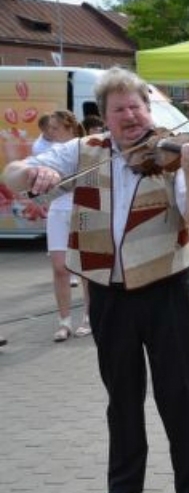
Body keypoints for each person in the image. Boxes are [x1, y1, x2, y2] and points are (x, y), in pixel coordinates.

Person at [1, 66, 189, 493]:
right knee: (121, 394)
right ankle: (124, 485)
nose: (130, 116)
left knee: (179, 392)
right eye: (119, 109)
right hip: (106, 291)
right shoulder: (84, 150)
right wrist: (32, 171)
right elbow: (13, 174)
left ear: (149, 110)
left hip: (165, 289)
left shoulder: (171, 153)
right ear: (105, 116)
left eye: (137, 106)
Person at [38, 111, 91, 341]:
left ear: (69, 127)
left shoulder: (85, 149)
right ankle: (64, 321)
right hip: (57, 210)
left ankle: (89, 317)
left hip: (82, 209)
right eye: (49, 128)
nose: (50, 132)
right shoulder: (47, 151)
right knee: (60, 268)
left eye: (55, 128)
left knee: (86, 269)